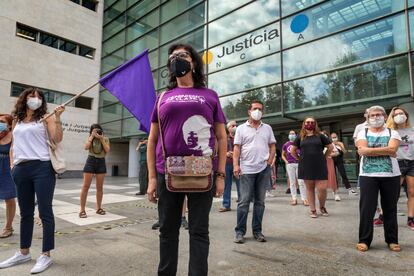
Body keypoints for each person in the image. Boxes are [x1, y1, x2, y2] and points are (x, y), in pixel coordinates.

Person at [146, 43, 226, 276]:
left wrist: (220, 175)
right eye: (172, 57)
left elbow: (221, 136)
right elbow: (152, 140)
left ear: (193, 62)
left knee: (199, 231)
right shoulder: (162, 97)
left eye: (182, 55)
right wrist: (152, 178)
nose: (177, 59)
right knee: (167, 231)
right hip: (167, 172)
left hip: (203, 171)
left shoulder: (209, 95)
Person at [0, 88, 65, 273]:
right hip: (21, 169)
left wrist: (58, 117)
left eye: (38, 96)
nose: (35, 99)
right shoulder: (18, 119)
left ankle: (45, 255)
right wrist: (13, 165)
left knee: (45, 211)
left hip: (42, 167)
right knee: (26, 212)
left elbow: (57, 138)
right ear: (24, 98)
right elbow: (13, 144)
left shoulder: (46, 116)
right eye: (32, 95)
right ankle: (24, 252)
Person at [355, 105, 401, 252]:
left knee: (390, 209)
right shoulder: (363, 132)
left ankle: (392, 240)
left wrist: (370, 150)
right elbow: (362, 151)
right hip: (368, 176)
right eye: (372, 115)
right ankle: (364, 240)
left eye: (379, 114)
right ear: (368, 118)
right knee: (366, 209)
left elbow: (393, 149)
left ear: (385, 117)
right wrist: (385, 150)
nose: (376, 117)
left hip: (391, 175)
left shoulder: (393, 132)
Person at [233, 100, 276, 243]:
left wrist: (269, 162)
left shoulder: (267, 128)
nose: (258, 111)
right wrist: (236, 166)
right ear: (249, 111)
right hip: (246, 170)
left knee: (260, 202)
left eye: (260, 109)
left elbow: (272, 146)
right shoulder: (240, 128)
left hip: (263, 169)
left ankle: (257, 231)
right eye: (255, 108)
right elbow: (237, 148)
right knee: (243, 202)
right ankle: (240, 232)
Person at [290, 117, 333, 218]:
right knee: (309, 189)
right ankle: (313, 210)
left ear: (315, 124)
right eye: (307, 122)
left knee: (322, 188)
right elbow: (293, 150)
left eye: (312, 122)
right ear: (304, 124)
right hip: (306, 165)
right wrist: (299, 159)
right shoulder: (300, 137)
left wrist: (325, 156)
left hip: (320, 165)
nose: (310, 124)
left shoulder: (320, 136)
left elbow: (330, 147)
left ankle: (322, 207)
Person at [386, 107, 414, 230]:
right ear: (392, 118)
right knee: (393, 194)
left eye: (401, 113)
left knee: (412, 192)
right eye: (396, 114)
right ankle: (384, 216)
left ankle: (411, 219)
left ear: (406, 115)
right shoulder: (390, 132)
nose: (399, 116)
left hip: (412, 163)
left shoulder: (412, 130)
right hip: (397, 163)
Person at [79, 124, 110, 218]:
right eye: (95, 131)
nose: (97, 132)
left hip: (101, 162)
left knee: (99, 187)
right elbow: (86, 147)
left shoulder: (105, 138)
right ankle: (82, 210)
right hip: (91, 161)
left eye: (98, 130)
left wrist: (101, 139)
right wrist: (92, 137)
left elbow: (107, 150)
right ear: (92, 131)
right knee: (85, 186)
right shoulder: (90, 138)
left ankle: (99, 208)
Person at [0, 114, 16, 238]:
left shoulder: (14, 136)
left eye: (2, 121)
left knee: (9, 199)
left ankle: (8, 227)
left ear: (9, 125)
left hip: (7, 168)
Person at [282, 130, 308, 206]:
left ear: (296, 135)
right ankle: (294, 199)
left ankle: (304, 199)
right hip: (290, 164)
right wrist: (286, 161)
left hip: (299, 163)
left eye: (293, 134)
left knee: (301, 182)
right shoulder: (286, 144)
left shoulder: (300, 143)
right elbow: (283, 154)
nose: (291, 135)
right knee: (292, 182)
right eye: (290, 133)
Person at [219, 121, 240, 212]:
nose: (235, 127)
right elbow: (219, 150)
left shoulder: (239, 137)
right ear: (228, 128)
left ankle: (242, 204)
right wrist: (226, 153)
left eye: (236, 125)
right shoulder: (224, 138)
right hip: (227, 164)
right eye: (232, 125)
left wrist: (236, 154)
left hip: (237, 164)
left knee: (240, 185)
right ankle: (226, 205)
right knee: (227, 185)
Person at [321, 130, 340, 201]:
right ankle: (323, 195)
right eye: (321, 135)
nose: (323, 136)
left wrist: (330, 155)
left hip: (329, 161)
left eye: (324, 135)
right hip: (320, 163)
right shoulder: (318, 144)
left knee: (332, 177)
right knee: (322, 179)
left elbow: (337, 153)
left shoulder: (330, 143)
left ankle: (335, 193)